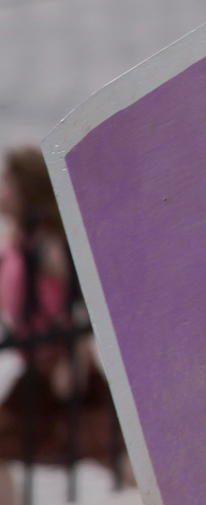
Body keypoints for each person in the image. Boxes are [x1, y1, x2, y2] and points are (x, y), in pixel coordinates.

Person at [0, 147, 127, 502]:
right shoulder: (14, 244)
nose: (1, 189)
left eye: (7, 181)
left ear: (26, 187)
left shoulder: (45, 244)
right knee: (107, 451)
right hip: (38, 367)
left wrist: (75, 355)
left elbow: (79, 304)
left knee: (110, 450)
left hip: (60, 365)